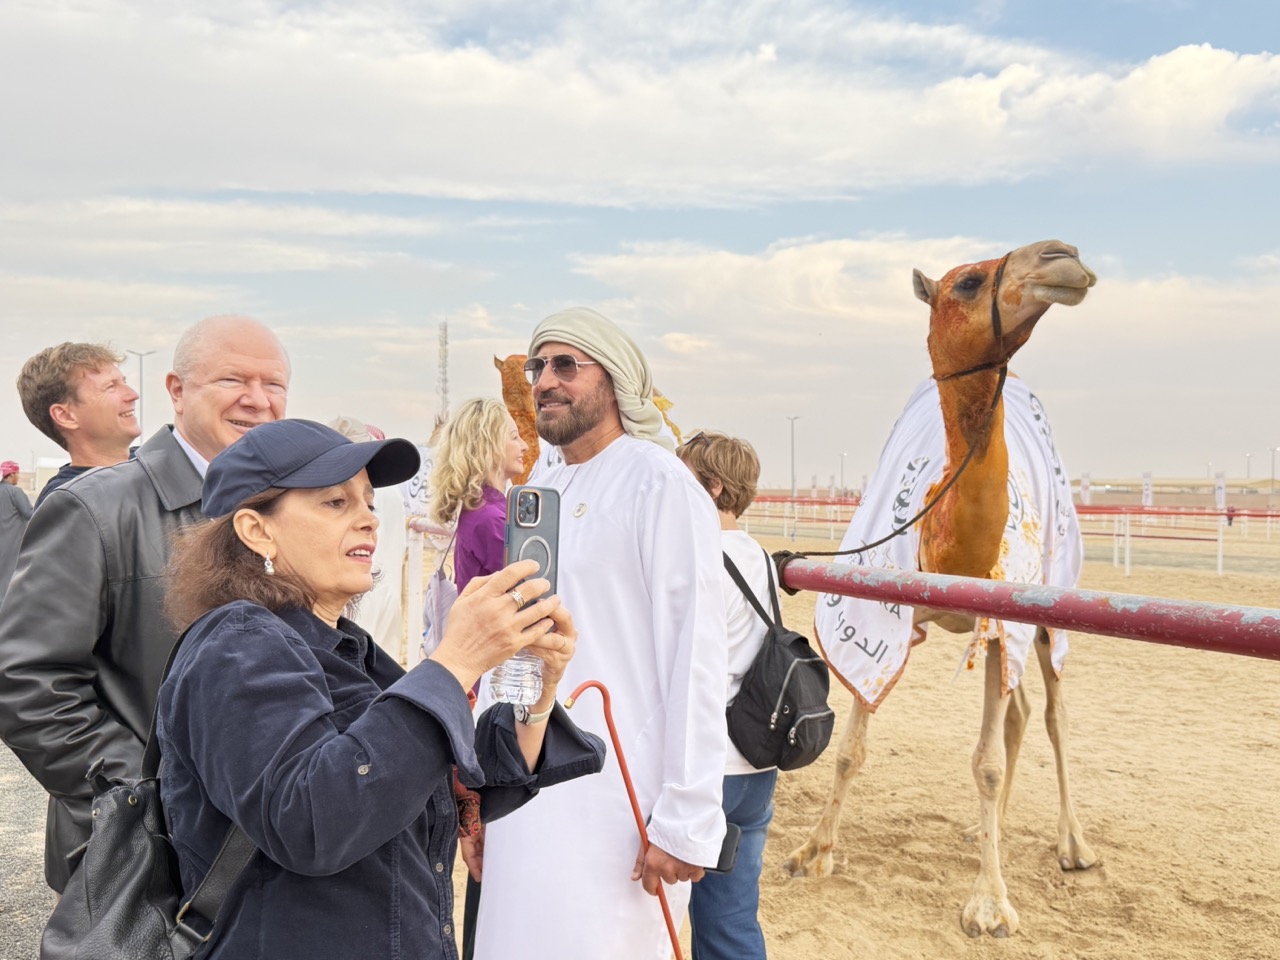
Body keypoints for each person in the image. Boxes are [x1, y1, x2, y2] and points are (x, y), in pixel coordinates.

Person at [157, 418, 604, 958]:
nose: (369, 519)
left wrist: (537, 693)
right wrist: (456, 660)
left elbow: (440, 785)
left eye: (368, 502)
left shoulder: (345, 646)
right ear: (257, 531)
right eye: (334, 503)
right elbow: (313, 820)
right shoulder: (237, 645)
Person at [0, 314, 291, 893]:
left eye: (275, 384)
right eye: (234, 380)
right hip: (143, 863)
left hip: (268, 850)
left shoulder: (290, 506)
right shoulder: (95, 509)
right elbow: (28, 679)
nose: (258, 401)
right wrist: (147, 797)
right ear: (177, 391)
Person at [473, 307, 728, 960]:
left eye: (566, 365)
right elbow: (516, 639)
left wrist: (687, 818)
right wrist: (487, 776)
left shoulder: (662, 483)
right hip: (527, 787)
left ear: (613, 379)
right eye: (538, 366)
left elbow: (698, 654)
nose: (545, 381)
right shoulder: (541, 485)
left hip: (622, 797)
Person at [427, 396, 530, 958]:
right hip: (499, 676)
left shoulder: (480, 514)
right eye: (513, 434)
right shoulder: (497, 520)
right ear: (491, 443)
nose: (523, 443)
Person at [675, 431, 778, 960]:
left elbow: (693, 669)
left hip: (706, 763)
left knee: (662, 914)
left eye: (684, 480)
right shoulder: (758, 556)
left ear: (711, 488)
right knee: (732, 919)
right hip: (754, 762)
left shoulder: (700, 560)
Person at [16, 342, 141, 506]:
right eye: (111, 387)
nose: (133, 395)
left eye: (123, 382)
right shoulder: (70, 504)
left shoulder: (152, 463)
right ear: (66, 416)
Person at [327, 415, 409, 661]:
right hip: (377, 588)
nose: (369, 521)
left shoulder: (382, 492)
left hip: (359, 590)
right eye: (336, 503)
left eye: (370, 507)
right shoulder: (392, 493)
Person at [0, 461, 33, 597]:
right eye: (17, 474)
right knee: (9, 576)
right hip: (12, 543)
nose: (18, 477)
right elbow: (30, 514)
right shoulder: (16, 492)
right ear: (11, 474)